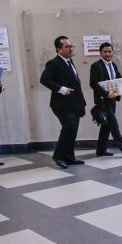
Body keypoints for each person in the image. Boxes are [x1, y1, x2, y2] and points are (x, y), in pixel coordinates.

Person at [40, 35, 87, 169]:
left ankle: (69, 156)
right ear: (59, 50)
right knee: (68, 128)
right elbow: (44, 80)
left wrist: (81, 103)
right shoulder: (54, 63)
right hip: (62, 104)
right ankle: (58, 156)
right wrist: (61, 89)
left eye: (71, 46)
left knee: (73, 130)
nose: (71, 48)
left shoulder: (69, 61)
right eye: (67, 46)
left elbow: (76, 83)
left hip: (74, 103)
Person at [89, 41, 122, 157]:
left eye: (109, 51)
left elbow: (121, 81)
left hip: (112, 101)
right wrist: (106, 94)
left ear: (112, 52)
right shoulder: (96, 66)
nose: (107, 54)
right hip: (103, 100)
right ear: (100, 53)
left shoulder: (113, 65)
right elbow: (93, 84)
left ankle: (100, 150)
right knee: (113, 124)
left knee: (106, 126)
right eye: (105, 52)